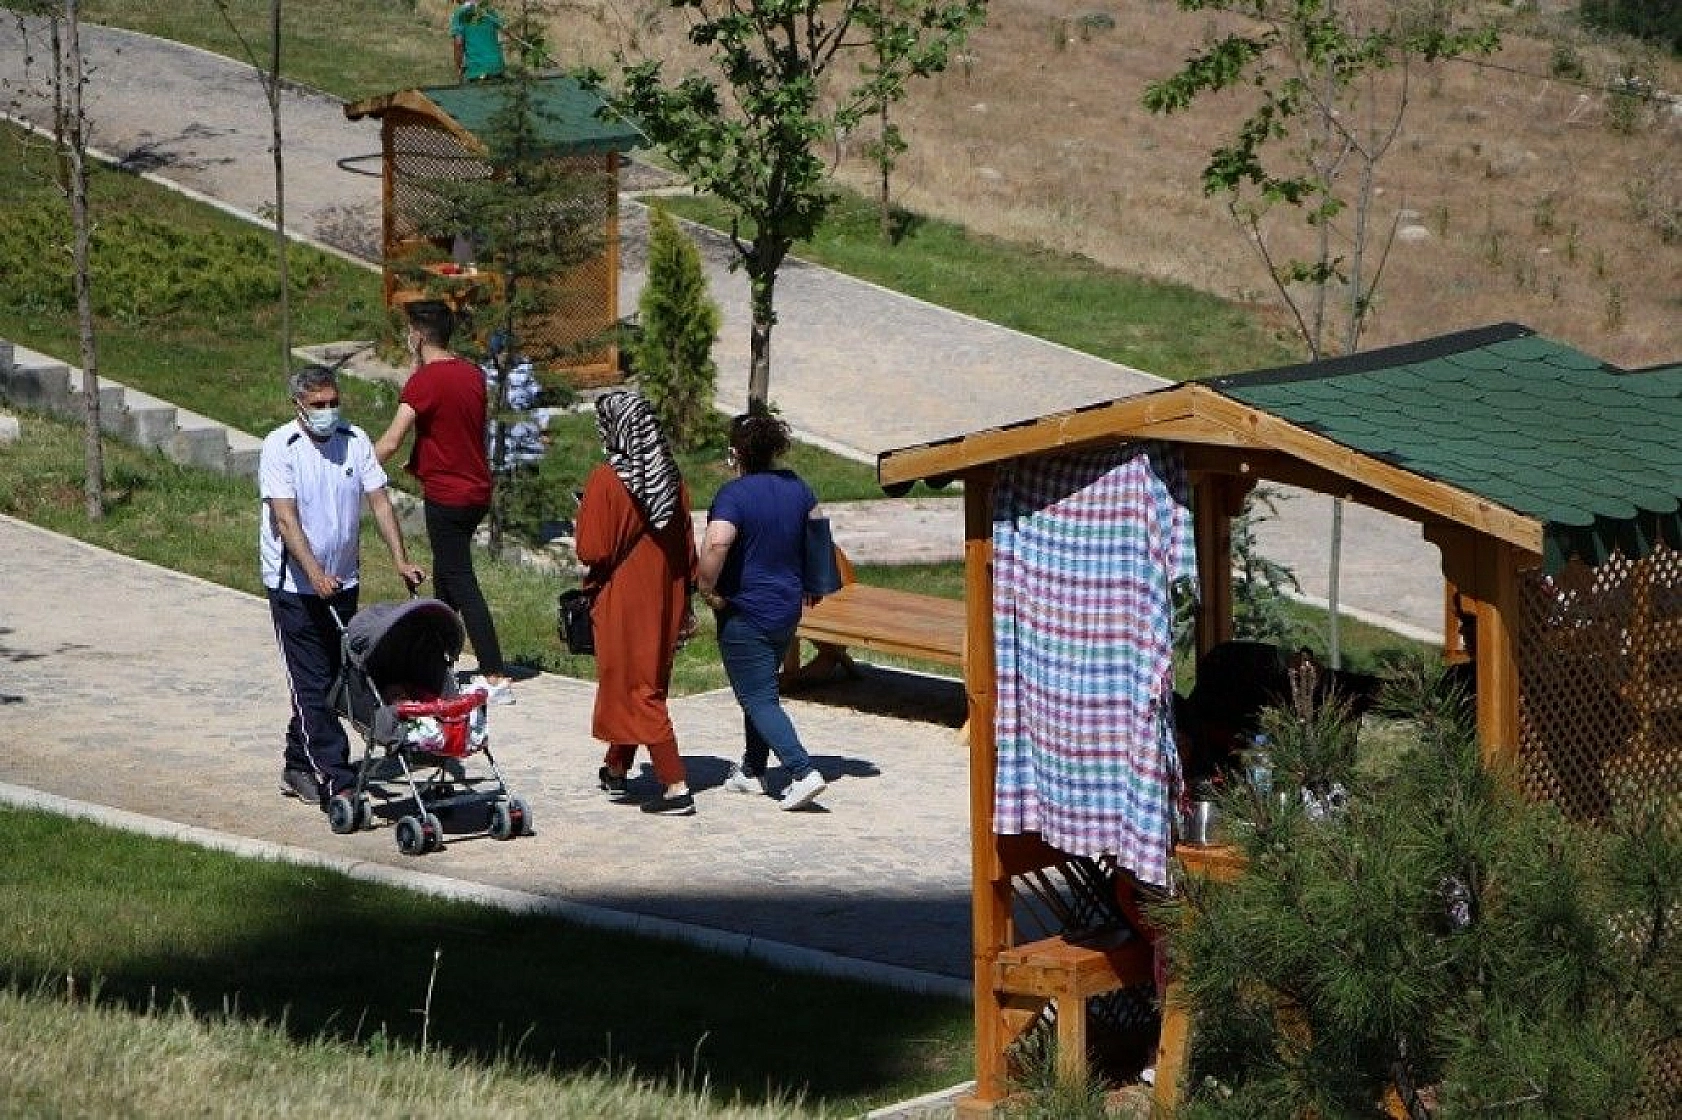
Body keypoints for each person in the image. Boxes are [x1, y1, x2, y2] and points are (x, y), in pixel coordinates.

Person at [262, 365, 424, 808]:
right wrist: (312, 570)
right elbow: (285, 517)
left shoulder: (354, 442)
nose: (328, 411)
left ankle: (298, 762)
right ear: (299, 406)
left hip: (343, 581)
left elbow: (380, 502)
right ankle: (337, 777)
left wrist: (399, 559)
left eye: (333, 403)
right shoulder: (281, 447)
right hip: (295, 587)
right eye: (318, 405)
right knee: (310, 681)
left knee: (338, 676)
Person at [375, 300, 511, 703]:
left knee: (460, 578)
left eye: (408, 332)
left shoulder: (424, 382)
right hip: (476, 490)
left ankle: (494, 673)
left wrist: (353, 469)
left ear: (417, 335)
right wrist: (422, 458)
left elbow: (392, 437)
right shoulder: (471, 374)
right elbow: (454, 429)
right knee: (446, 575)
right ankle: (436, 658)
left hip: (447, 495)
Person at [697, 410, 829, 811]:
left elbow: (718, 543)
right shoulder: (797, 487)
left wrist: (706, 587)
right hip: (787, 607)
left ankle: (802, 771)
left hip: (745, 611)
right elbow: (818, 527)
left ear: (736, 453)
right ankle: (752, 771)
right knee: (760, 688)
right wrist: (815, 582)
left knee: (758, 699)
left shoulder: (733, 496)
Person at [576, 391, 700, 816]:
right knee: (643, 678)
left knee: (635, 685)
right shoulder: (673, 480)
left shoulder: (607, 480)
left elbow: (591, 550)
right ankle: (616, 767)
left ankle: (674, 784)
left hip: (624, 599)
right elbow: (686, 546)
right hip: (667, 594)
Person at [450, 0, 506, 83]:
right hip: (497, 68)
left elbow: (458, 43)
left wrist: (459, 68)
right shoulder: (490, 11)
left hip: (476, 70)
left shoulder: (460, 14)